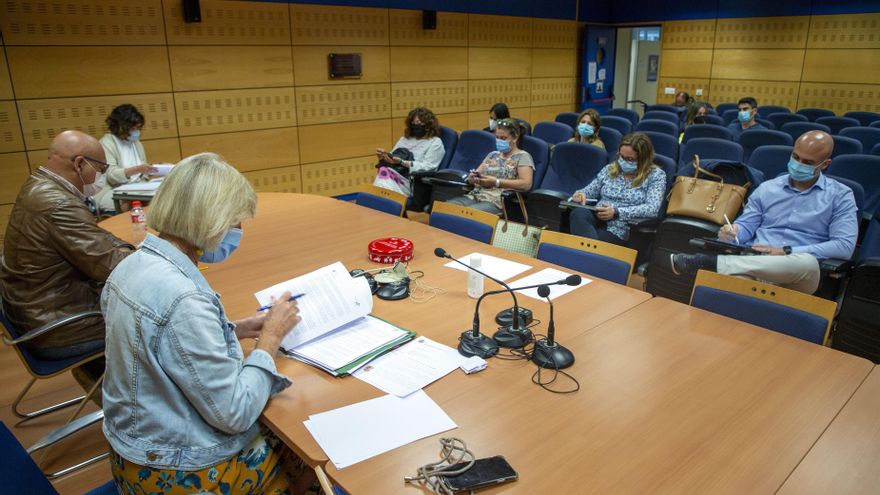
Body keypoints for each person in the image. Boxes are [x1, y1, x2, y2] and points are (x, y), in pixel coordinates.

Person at [101, 153, 315, 494]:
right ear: (211, 220)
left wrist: (235, 328)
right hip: (180, 473)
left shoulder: (130, 266)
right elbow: (235, 413)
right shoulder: (185, 299)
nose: (239, 232)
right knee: (311, 455)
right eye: (236, 222)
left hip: (133, 451)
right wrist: (270, 339)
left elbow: (160, 341)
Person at [0, 130, 134, 396]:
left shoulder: (39, 186)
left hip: (37, 311)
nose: (101, 176)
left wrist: (123, 247)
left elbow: (98, 240)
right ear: (80, 164)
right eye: (101, 168)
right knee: (151, 318)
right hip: (60, 326)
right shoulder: (58, 204)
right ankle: (133, 405)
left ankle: (104, 378)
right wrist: (138, 252)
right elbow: (114, 265)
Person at [671, 131, 858, 294]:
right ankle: (718, 266)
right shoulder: (767, 188)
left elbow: (844, 246)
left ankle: (708, 262)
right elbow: (746, 226)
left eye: (808, 162)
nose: (798, 164)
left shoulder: (840, 196)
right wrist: (733, 231)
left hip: (797, 273)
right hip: (755, 263)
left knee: (807, 263)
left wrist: (787, 251)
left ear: (825, 165)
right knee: (728, 299)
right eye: (795, 157)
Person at [569, 133, 666, 245]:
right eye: (621, 156)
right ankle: (590, 251)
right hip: (597, 217)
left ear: (643, 159)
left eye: (630, 159)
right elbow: (589, 191)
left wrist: (616, 212)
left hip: (621, 227)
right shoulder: (610, 169)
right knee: (578, 213)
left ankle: (587, 251)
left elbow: (652, 208)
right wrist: (580, 194)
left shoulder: (656, 176)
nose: (623, 161)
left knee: (588, 239)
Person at [448, 119, 533, 215]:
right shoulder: (493, 155)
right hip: (476, 195)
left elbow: (526, 184)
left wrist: (496, 182)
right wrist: (472, 178)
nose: (499, 140)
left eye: (503, 138)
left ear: (515, 138)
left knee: (467, 214)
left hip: (497, 201)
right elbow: (477, 174)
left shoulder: (523, 156)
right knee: (447, 208)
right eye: (497, 137)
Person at [95, 104, 157, 213]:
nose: (136, 131)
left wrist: (153, 169)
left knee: (160, 196)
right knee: (134, 202)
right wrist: (137, 169)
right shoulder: (106, 143)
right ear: (121, 127)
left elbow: (142, 174)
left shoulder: (136, 143)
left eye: (138, 128)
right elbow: (111, 176)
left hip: (137, 188)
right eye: (133, 128)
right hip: (113, 191)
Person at [374, 107, 445, 196]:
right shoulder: (404, 139)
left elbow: (429, 166)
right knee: (384, 171)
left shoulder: (435, 142)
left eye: (419, 123)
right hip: (395, 173)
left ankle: (387, 203)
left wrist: (403, 162)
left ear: (428, 125)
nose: (416, 126)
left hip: (413, 181)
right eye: (413, 123)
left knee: (384, 178)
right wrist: (383, 157)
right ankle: (384, 203)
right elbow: (392, 158)